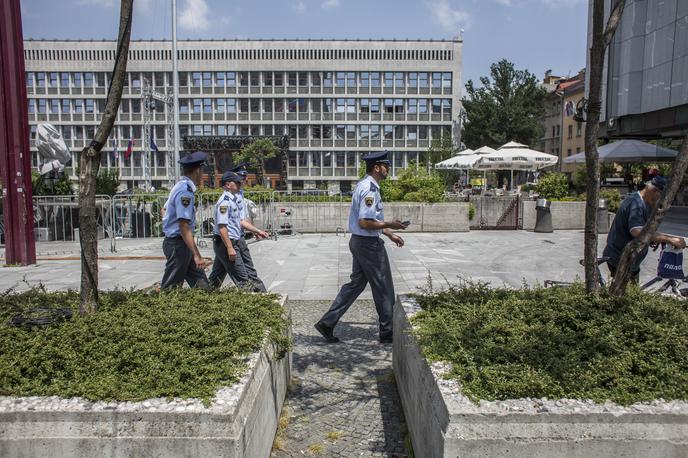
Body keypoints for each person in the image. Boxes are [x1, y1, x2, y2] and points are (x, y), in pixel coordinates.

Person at [314, 151, 408, 344]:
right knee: (383, 287)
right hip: (368, 245)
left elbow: (372, 221)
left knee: (355, 285)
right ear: (377, 167)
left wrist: (390, 234)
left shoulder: (364, 185)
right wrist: (391, 224)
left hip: (359, 241)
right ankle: (388, 331)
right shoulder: (370, 189)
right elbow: (365, 222)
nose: (388, 169)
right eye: (386, 166)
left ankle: (327, 322)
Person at [603, 175, 686, 283]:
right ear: (654, 191)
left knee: (631, 292)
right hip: (620, 258)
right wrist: (669, 239)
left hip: (631, 260)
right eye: (662, 195)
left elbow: (645, 230)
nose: (662, 199)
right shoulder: (636, 203)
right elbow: (636, 231)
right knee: (624, 295)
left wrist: (653, 239)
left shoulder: (646, 202)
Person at [208, 165, 270, 291]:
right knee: (242, 279)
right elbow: (222, 227)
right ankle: (259, 301)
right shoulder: (224, 202)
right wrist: (230, 248)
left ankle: (205, 297)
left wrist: (257, 231)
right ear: (227, 185)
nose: (241, 183)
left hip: (233, 240)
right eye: (237, 182)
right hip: (227, 242)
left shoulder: (234, 199)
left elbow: (241, 221)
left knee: (217, 276)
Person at [160, 152, 211, 289]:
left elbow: (163, 210)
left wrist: (168, 224)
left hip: (180, 243)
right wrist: (197, 255)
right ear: (198, 170)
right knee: (171, 288)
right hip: (178, 245)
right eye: (203, 170)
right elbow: (183, 225)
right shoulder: (185, 191)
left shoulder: (179, 187)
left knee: (202, 287)